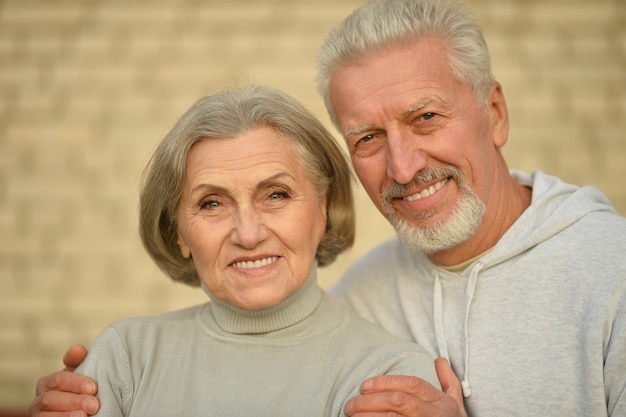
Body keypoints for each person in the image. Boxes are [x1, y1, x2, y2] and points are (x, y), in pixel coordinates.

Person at [30, 0, 626, 416]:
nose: (403, 166)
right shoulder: (365, 291)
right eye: (366, 138)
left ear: (494, 113)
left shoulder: (611, 271)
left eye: (425, 118)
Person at [30, 84, 464, 417]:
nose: (248, 233)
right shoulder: (125, 356)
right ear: (179, 232)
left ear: (324, 208)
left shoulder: (391, 376)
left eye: (275, 194)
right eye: (211, 203)